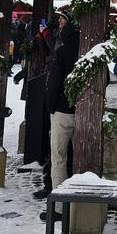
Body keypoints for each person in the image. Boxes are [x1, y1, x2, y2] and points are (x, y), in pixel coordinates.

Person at [42, 15, 80, 220]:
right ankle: (80, 205)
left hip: (62, 112)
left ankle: (59, 209)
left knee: (58, 158)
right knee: (80, 158)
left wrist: (51, 106)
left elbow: (54, 83)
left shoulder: (62, 53)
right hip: (82, 112)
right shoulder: (86, 54)